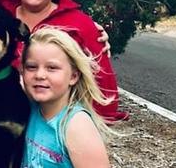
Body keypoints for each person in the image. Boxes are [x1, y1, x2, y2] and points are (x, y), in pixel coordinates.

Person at [6, 0, 128, 123]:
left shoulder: (79, 24)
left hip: (57, 126)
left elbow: (103, 85)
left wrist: (87, 128)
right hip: (6, 127)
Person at [21, 27, 112, 167]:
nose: (39, 75)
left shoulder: (77, 125)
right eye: (31, 67)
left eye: (52, 68)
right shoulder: (30, 106)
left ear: (73, 76)